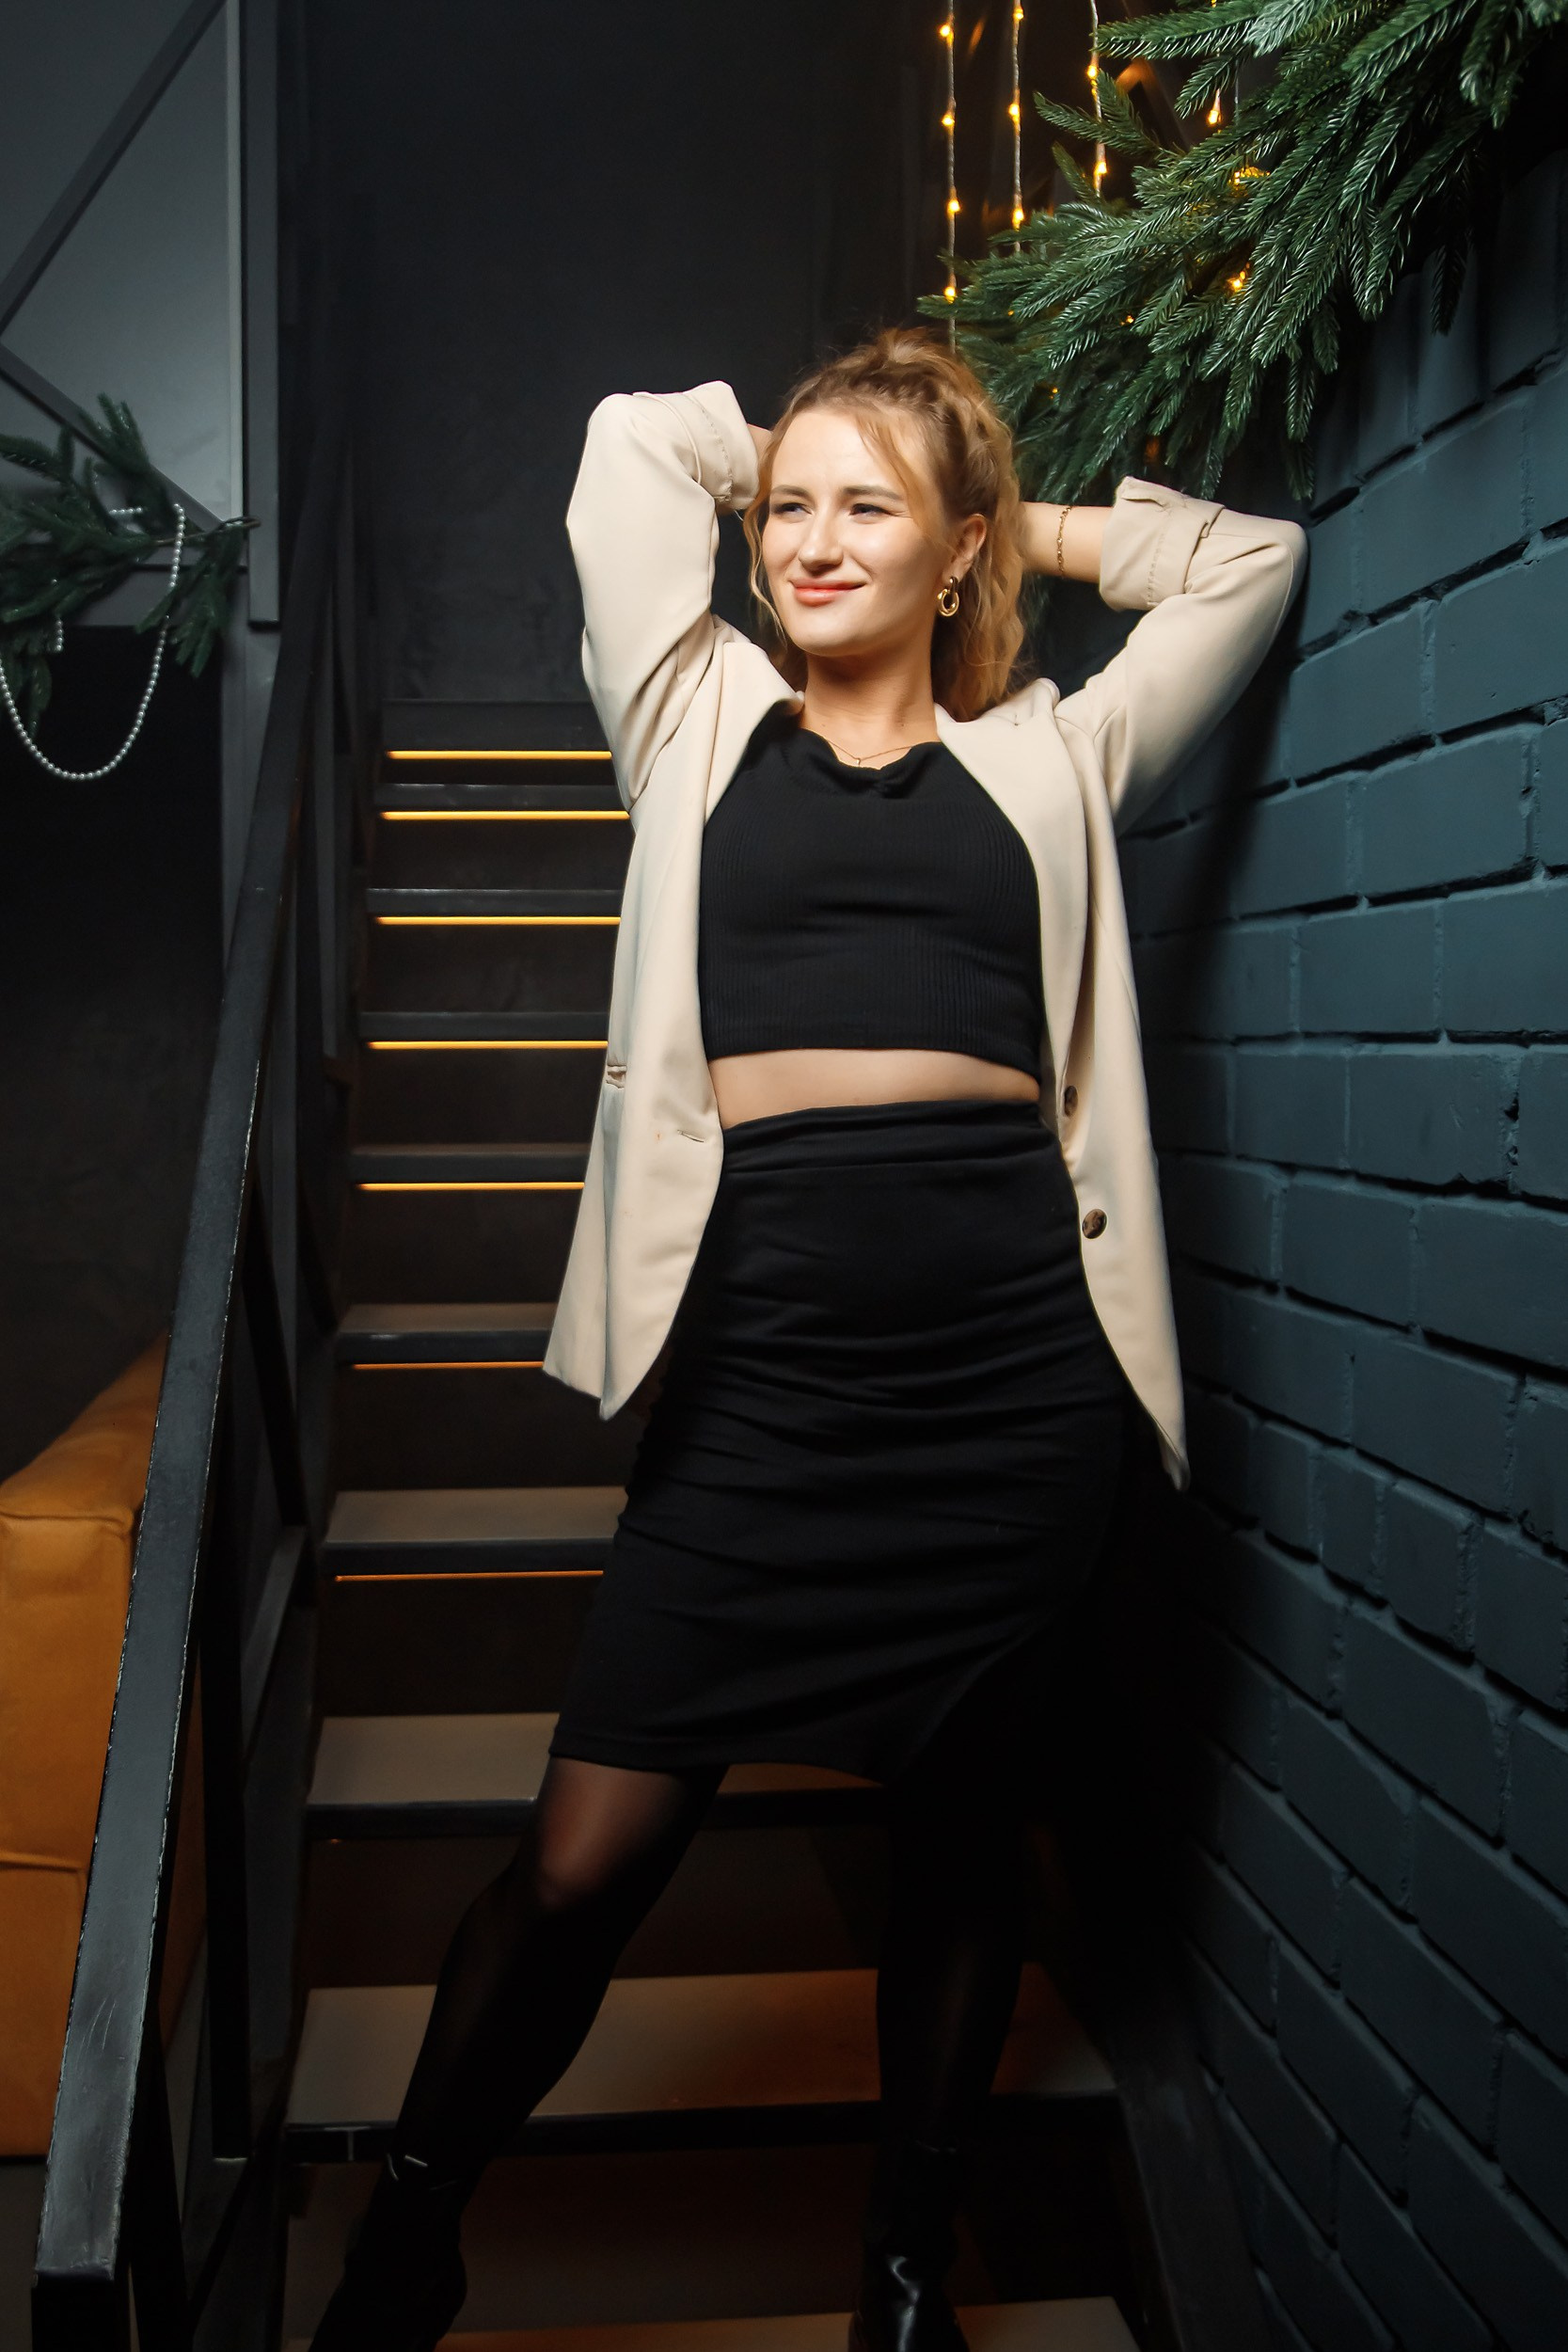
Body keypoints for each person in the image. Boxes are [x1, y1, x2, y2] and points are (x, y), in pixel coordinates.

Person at [311, 327, 1307, 2352]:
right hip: (761, 1391)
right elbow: (625, 444)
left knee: (961, 1847)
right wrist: (835, 440)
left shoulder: (1053, 756)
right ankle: (415, 2220)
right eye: (788, 511)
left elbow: (1248, 562)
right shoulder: (688, 712)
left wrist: (985, 495)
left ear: (957, 551)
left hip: (1012, 1392)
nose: (811, 540)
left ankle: (905, 2271)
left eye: (869, 512)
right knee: (582, 1859)